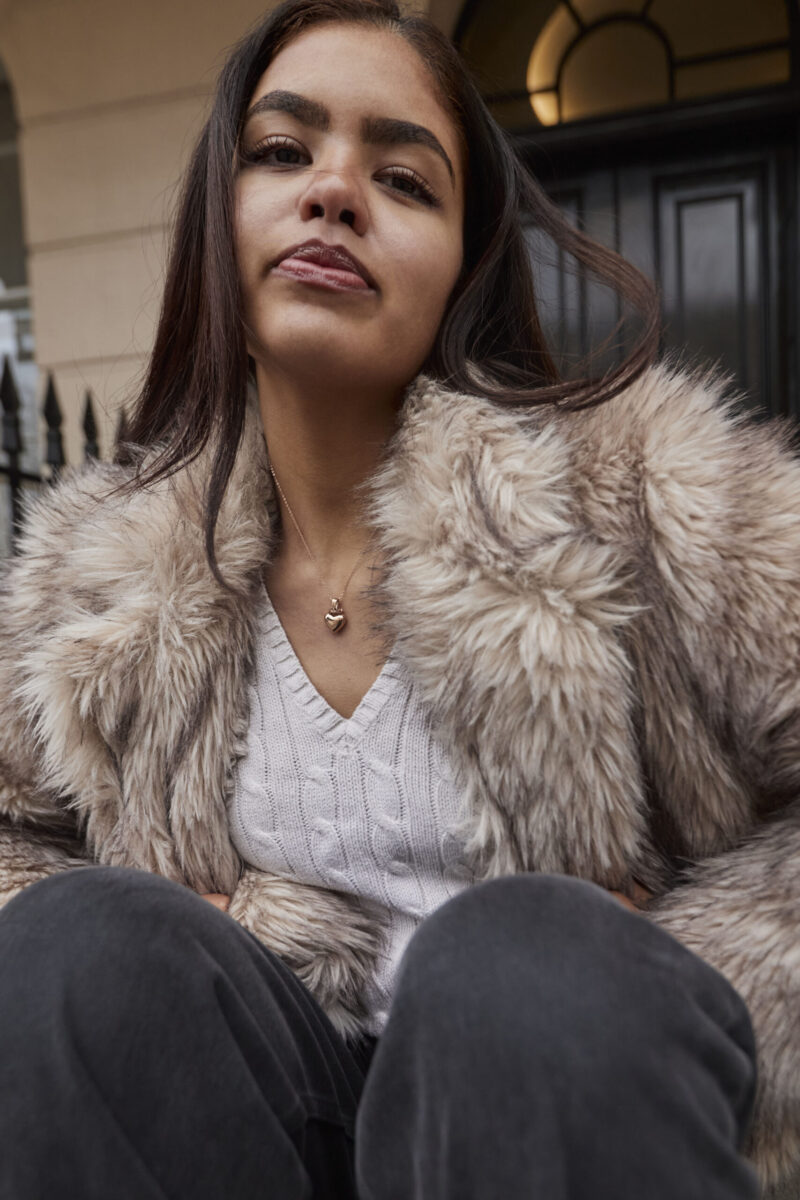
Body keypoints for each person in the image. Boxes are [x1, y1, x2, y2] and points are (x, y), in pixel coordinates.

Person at [0, 0, 796, 1196]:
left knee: (517, 960)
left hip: (548, 1121)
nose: (331, 192)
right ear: (221, 217)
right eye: (281, 152)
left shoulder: (644, 487)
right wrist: (175, 928)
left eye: (403, 178)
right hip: (247, 1126)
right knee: (82, 946)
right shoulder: (89, 577)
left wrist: (662, 964)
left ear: (463, 260)